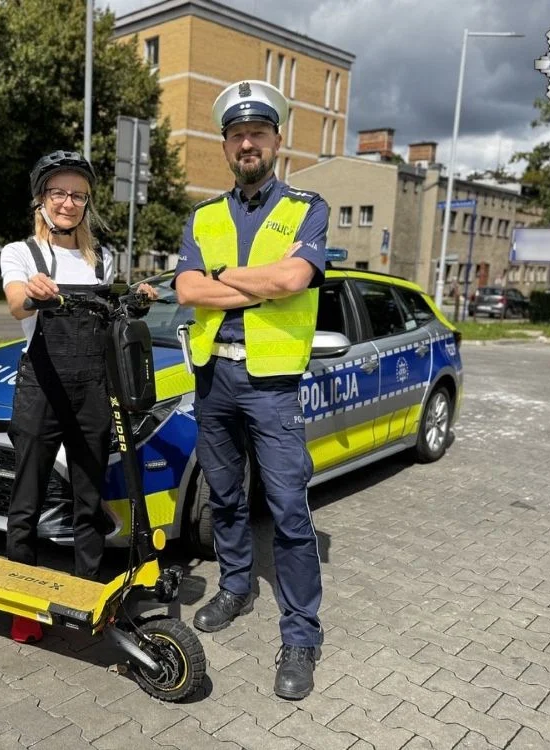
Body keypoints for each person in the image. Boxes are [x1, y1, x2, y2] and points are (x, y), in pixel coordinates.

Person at [174, 80, 328, 700]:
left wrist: (223, 279)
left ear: (276, 141)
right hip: (215, 378)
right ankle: (236, 586)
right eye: (236, 135)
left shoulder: (306, 208)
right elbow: (187, 290)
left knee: (290, 512)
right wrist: (259, 282)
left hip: (272, 385)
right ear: (225, 145)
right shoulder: (204, 215)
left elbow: (297, 276)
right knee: (225, 497)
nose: (246, 143)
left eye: (257, 134)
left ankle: (300, 635)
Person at [0, 150, 155, 644]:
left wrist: (136, 301)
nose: (68, 203)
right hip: (40, 388)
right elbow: (14, 304)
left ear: (86, 204)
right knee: (27, 498)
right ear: (42, 199)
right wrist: (34, 294)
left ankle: (87, 594)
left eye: (78, 195)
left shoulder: (104, 259)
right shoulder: (21, 253)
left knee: (89, 498)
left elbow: (115, 318)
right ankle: (21, 604)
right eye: (58, 193)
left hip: (94, 387)